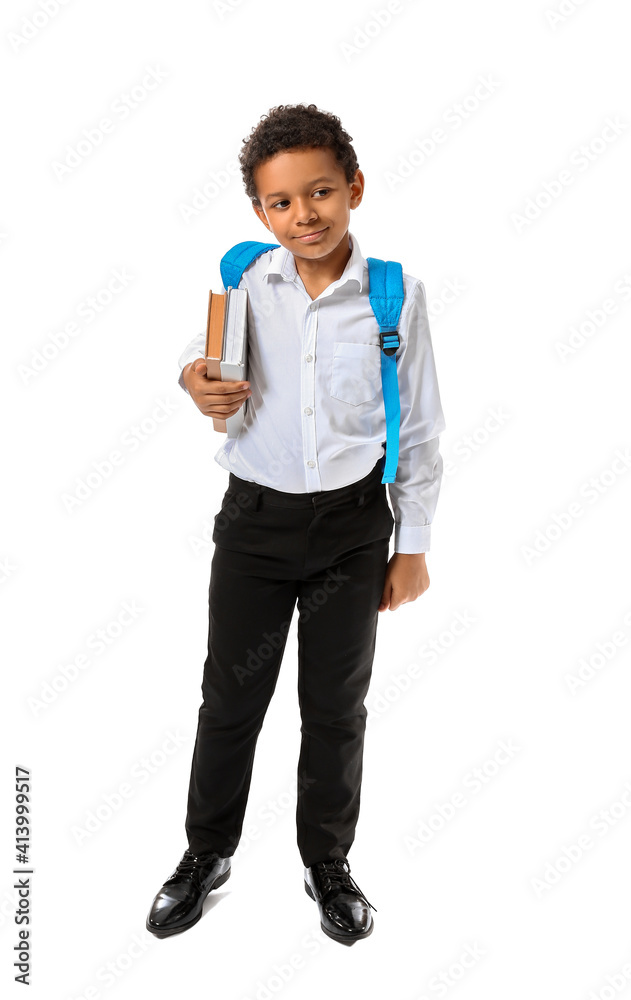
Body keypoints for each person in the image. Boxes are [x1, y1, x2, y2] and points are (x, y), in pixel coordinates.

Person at [146, 103, 446, 946]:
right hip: (253, 524)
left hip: (353, 531)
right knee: (229, 698)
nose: (303, 215)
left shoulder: (395, 296)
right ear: (259, 213)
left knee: (334, 705)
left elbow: (420, 427)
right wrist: (192, 378)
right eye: (281, 203)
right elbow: (198, 350)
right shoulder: (247, 278)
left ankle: (327, 862)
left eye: (319, 192)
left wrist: (411, 544)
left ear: (353, 188)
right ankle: (206, 854)